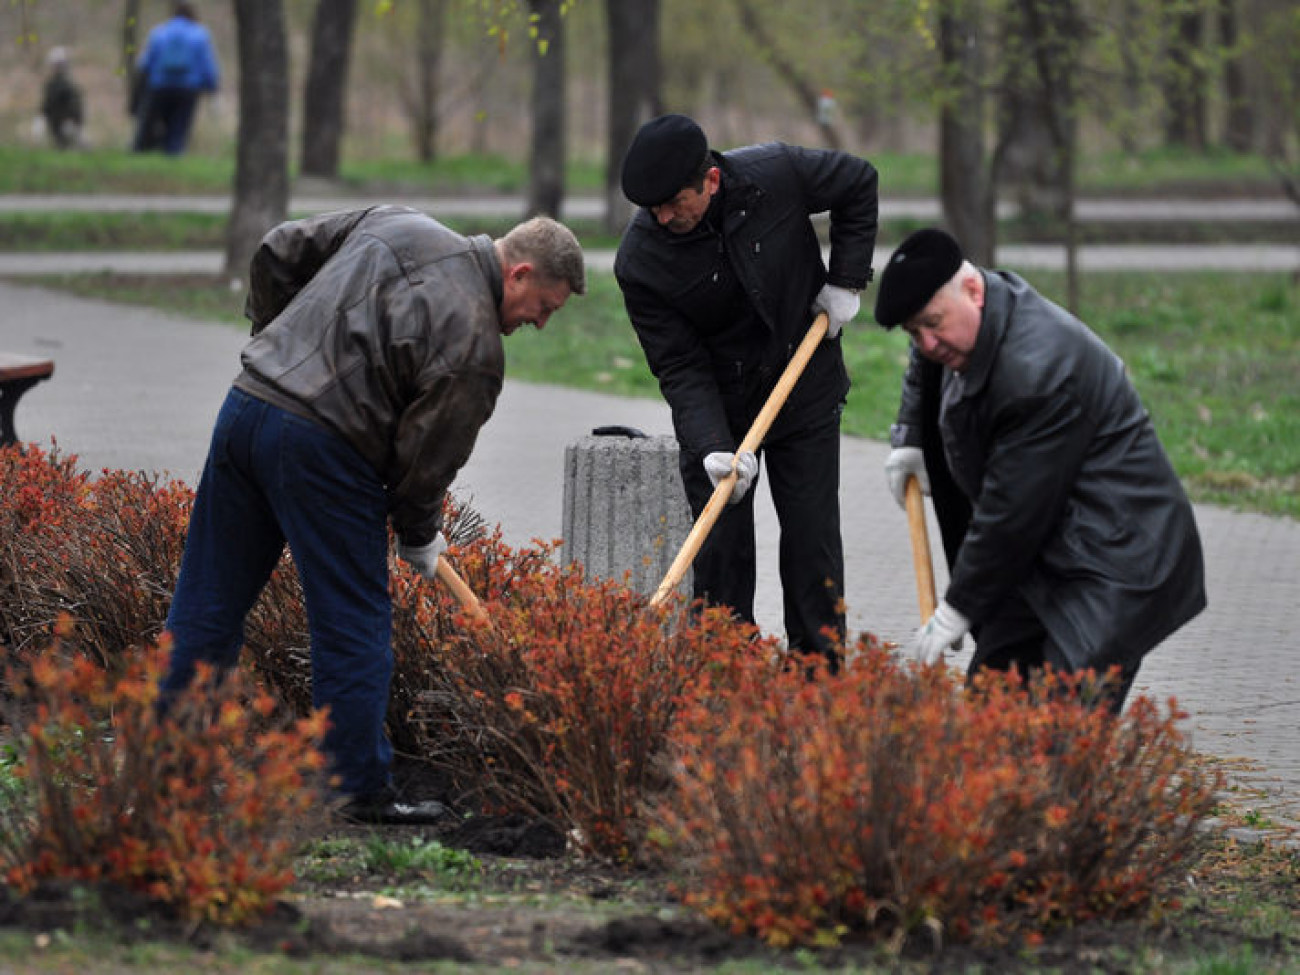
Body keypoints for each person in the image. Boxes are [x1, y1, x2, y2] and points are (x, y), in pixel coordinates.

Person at [161, 206, 586, 824]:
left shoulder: (397, 223)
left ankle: (168, 766)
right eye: (543, 308)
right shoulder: (473, 343)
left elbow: (278, 248)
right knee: (354, 621)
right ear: (518, 273)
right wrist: (418, 533)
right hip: (326, 448)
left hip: (247, 407)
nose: (540, 324)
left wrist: (275, 340)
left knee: (208, 601)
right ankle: (354, 786)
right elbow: (425, 459)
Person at [875, 227, 1206, 712]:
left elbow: (1012, 511)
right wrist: (910, 435)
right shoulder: (961, 317)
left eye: (932, 324)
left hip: (1113, 561)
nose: (927, 343)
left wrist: (959, 606)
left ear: (972, 290)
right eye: (914, 331)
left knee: (1059, 727)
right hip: (1043, 552)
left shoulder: (1041, 371)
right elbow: (923, 359)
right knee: (994, 698)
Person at [614, 114, 878, 670]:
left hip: (803, 384)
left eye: (672, 203)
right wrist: (711, 443)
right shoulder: (641, 260)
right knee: (722, 559)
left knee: (812, 544)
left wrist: (846, 280)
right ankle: (731, 678)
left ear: (709, 181)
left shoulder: (775, 173)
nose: (661, 217)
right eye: (651, 208)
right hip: (721, 410)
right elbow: (679, 364)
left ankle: (818, 677)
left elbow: (859, 181)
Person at [131, 0, 220, 155]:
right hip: (188, 88)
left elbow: (145, 63)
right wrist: (212, 87)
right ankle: (173, 153)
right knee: (178, 128)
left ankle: (144, 152)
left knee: (153, 123)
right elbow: (208, 65)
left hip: (159, 86)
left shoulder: (159, 32)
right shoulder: (200, 34)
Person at [41, 47, 84, 149]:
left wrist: (72, 121)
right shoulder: (51, 84)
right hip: (55, 125)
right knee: (60, 148)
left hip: (67, 124)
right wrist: (41, 117)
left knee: (70, 148)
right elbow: (48, 103)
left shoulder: (69, 85)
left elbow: (76, 107)